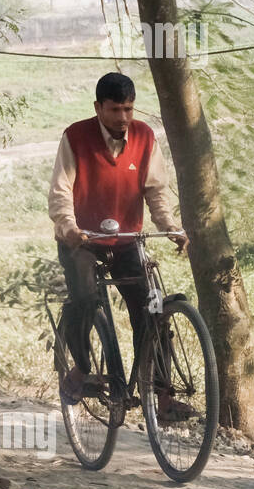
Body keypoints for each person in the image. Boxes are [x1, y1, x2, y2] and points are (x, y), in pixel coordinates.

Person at [48, 72, 188, 418]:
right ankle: (80, 368)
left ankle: (162, 393)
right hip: (82, 239)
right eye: (114, 110)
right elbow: (61, 191)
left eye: (128, 109)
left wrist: (169, 226)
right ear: (98, 108)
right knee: (84, 299)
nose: (123, 118)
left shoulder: (145, 137)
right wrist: (69, 228)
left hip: (126, 239)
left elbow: (156, 191)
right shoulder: (75, 137)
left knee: (150, 308)